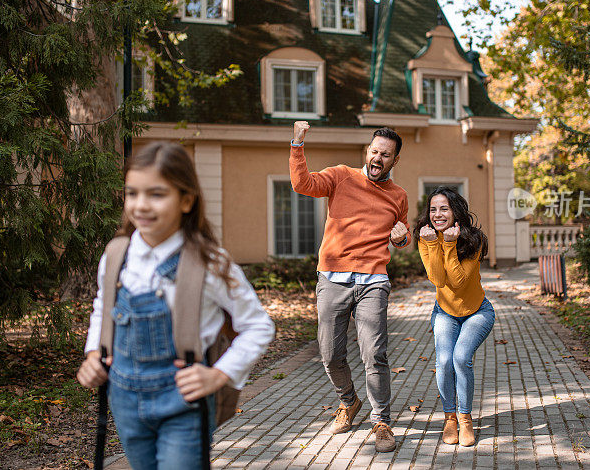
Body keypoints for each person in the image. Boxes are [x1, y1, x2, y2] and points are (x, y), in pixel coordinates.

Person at [77, 142, 274, 469]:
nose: (141, 205)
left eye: (156, 194)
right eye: (132, 193)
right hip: (124, 400)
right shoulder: (116, 255)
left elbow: (259, 326)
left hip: (185, 404)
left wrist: (219, 374)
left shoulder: (210, 264)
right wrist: (95, 354)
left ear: (186, 200)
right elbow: (104, 307)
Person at [289, 121, 409, 453]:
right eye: (374, 151)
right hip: (333, 277)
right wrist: (297, 144)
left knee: (375, 354)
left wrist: (402, 238)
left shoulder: (398, 196)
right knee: (329, 354)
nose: (378, 158)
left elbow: (402, 233)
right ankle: (349, 401)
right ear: (366, 152)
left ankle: (382, 421)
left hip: (373, 280)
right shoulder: (341, 176)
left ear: (394, 161)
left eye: (385, 155)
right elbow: (303, 184)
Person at [415, 186, 494, 447]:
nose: (437, 214)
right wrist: (432, 243)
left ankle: (466, 418)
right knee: (445, 360)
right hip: (445, 313)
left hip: (477, 312)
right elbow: (437, 279)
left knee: (461, 358)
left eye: (444, 208)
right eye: (433, 209)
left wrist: (449, 245)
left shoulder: (474, 239)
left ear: (455, 211)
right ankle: (450, 418)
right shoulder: (426, 237)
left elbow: (458, 282)